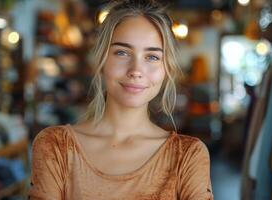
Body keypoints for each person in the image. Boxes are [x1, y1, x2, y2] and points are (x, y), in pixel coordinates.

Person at [29, 0, 213, 199]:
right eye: (122, 52)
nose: (136, 70)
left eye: (152, 57)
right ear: (101, 60)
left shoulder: (188, 156)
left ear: (166, 69)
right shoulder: (55, 146)